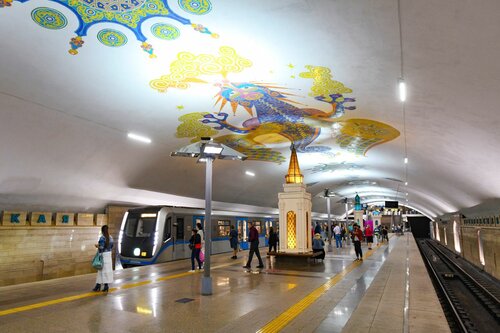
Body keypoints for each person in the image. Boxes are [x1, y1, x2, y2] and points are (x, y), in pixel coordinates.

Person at [93, 225, 114, 292]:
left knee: (101, 270)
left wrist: (97, 246)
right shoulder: (111, 237)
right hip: (108, 256)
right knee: (105, 271)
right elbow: (112, 246)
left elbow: (101, 247)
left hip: (103, 256)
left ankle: (101, 286)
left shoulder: (102, 238)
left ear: (102, 230)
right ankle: (101, 285)